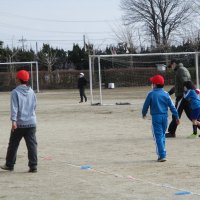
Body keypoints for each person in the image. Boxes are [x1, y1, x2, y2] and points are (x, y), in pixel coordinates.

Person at [1, 70, 38, 173]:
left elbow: (14, 108)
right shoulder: (31, 91)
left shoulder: (15, 92)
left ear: (18, 79)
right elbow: (35, 106)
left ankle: (9, 164)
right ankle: (33, 166)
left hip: (19, 123)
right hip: (32, 122)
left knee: (13, 144)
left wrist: (13, 121)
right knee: (32, 145)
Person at [142, 75, 179, 162]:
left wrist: (144, 113)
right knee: (162, 135)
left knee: (158, 136)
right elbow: (172, 107)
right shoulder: (166, 94)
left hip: (156, 117)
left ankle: (161, 155)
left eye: (152, 83)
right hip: (164, 117)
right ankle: (163, 153)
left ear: (154, 85)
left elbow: (145, 105)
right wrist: (176, 117)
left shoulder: (151, 94)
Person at [166, 59, 191, 138]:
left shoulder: (181, 71)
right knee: (191, 115)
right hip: (184, 96)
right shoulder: (180, 70)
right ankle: (171, 132)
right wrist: (169, 93)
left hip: (182, 97)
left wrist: (186, 95)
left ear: (174, 64)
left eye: (171, 66)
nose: (171, 68)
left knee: (175, 114)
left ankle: (171, 132)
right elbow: (178, 86)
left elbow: (186, 84)